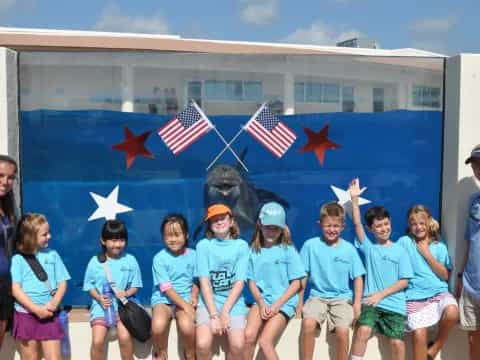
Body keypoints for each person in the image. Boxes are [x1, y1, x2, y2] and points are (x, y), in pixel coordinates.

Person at [348, 178, 413, 360]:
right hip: (371, 304)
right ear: (371, 229)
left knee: (397, 342)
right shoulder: (369, 249)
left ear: (390, 222)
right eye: (378, 226)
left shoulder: (401, 251)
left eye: (386, 224)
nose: (384, 228)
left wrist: (380, 295)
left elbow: (404, 281)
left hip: (395, 306)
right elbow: (357, 225)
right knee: (363, 331)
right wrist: (354, 200)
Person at [298, 202, 365, 360]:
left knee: (342, 331)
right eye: (328, 225)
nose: (332, 229)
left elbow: (358, 278)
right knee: (308, 324)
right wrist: (299, 301)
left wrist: (356, 304)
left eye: (336, 226)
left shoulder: (349, 249)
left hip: (342, 299)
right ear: (320, 224)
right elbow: (303, 276)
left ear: (342, 226)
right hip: (317, 297)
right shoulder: (310, 246)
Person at [243, 202, 305, 360]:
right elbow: (251, 281)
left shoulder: (288, 250)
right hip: (261, 302)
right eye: (268, 226)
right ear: (259, 225)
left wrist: (277, 305)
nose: (271, 231)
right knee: (248, 335)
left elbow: (297, 283)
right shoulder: (253, 251)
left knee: (265, 342)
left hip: (284, 303)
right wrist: (262, 303)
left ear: (282, 228)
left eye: (276, 227)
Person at [397, 205, 458, 360]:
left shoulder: (439, 246)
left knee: (452, 312)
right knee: (418, 334)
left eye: (422, 223)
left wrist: (426, 254)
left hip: (438, 293)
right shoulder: (405, 242)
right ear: (410, 226)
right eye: (414, 224)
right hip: (414, 296)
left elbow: (445, 275)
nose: (418, 227)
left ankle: (433, 350)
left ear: (429, 222)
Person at [10, 213, 70, 360]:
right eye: (44, 234)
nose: (49, 236)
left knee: (55, 357)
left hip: (50, 314)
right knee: (31, 357)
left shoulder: (53, 255)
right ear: (30, 236)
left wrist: (54, 304)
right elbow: (15, 289)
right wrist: (36, 309)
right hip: (26, 315)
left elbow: (63, 283)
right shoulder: (18, 259)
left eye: (48, 232)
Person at [195, 204, 249, 360]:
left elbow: (239, 283)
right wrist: (213, 315)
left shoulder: (241, 246)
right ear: (210, 225)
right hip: (208, 303)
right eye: (214, 220)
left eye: (222, 218)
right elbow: (204, 283)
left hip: (233, 303)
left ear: (231, 221)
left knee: (238, 345)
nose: (219, 222)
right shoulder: (203, 246)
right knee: (202, 344)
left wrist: (225, 312)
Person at [83, 220, 143, 360]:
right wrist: (99, 298)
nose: (117, 244)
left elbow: (136, 286)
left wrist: (126, 293)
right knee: (97, 341)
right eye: (112, 240)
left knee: (125, 338)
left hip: (124, 309)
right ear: (103, 241)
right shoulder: (95, 262)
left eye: (121, 240)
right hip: (101, 308)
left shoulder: (130, 260)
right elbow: (89, 286)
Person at [151, 214, 198, 360]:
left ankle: (190, 353)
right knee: (157, 326)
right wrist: (186, 306)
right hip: (163, 299)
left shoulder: (194, 255)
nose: (172, 239)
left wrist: (194, 297)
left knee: (187, 327)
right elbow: (166, 288)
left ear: (186, 235)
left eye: (177, 235)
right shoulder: (159, 258)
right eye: (168, 235)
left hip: (185, 298)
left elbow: (197, 280)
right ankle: (161, 351)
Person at [458, 144, 480, 360]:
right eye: (475, 164)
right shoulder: (473, 200)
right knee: (473, 339)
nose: (478, 169)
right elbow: (469, 240)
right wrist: (460, 276)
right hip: (472, 283)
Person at [0, 154, 17, 349]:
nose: (5, 182)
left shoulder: (7, 207)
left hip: (5, 283)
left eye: (10, 177)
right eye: (0, 175)